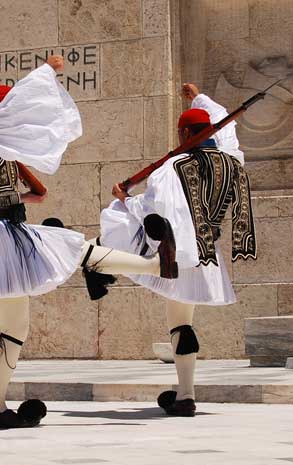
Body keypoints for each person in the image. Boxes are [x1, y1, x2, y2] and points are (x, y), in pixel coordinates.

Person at [0, 55, 178, 429]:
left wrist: (22, 198)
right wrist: (47, 72)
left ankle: (156, 265)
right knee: (17, 322)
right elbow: (19, 109)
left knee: (72, 250)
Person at [97, 94, 257, 417]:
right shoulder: (231, 163)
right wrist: (199, 96)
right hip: (208, 255)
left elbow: (158, 212)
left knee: (178, 322)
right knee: (184, 321)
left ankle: (95, 264)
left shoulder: (174, 167)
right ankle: (185, 394)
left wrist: (125, 198)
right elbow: (228, 133)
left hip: (180, 253)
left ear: (185, 136)